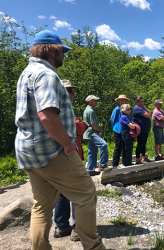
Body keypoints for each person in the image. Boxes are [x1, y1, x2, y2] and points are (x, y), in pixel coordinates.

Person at [14, 30, 105, 250]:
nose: (64, 55)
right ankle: (93, 246)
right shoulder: (46, 74)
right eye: (62, 51)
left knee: (41, 206)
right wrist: (67, 145)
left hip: (28, 151)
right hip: (51, 150)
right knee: (85, 194)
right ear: (51, 50)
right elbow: (47, 115)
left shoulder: (26, 73)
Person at [53, 79, 87, 242]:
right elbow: (79, 127)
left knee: (62, 192)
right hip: (69, 156)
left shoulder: (50, 108)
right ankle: (77, 229)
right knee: (77, 192)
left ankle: (61, 226)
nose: (73, 94)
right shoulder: (63, 108)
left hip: (57, 158)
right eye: (70, 90)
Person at [83, 95, 113, 175]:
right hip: (92, 133)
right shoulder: (90, 111)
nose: (97, 102)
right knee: (103, 144)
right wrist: (100, 130)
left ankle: (90, 170)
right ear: (90, 101)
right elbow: (93, 125)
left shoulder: (88, 110)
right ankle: (102, 165)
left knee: (92, 151)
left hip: (89, 133)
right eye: (95, 100)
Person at [110, 95, 129, 167]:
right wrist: (115, 127)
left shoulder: (126, 109)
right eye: (121, 100)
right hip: (118, 130)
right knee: (118, 147)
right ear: (119, 101)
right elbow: (112, 119)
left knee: (125, 146)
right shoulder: (116, 109)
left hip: (125, 130)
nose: (122, 101)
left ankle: (125, 162)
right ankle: (115, 164)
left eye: (123, 100)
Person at [132, 96, 152, 164]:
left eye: (143, 101)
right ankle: (138, 159)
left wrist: (144, 107)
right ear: (137, 102)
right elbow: (148, 115)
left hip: (145, 130)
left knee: (144, 144)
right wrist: (144, 108)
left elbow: (150, 113)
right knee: (140, 144)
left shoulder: (141, 108)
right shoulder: (137, 108)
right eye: (141, 102)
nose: (142, 103)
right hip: (140, 130)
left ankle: (143, 157)